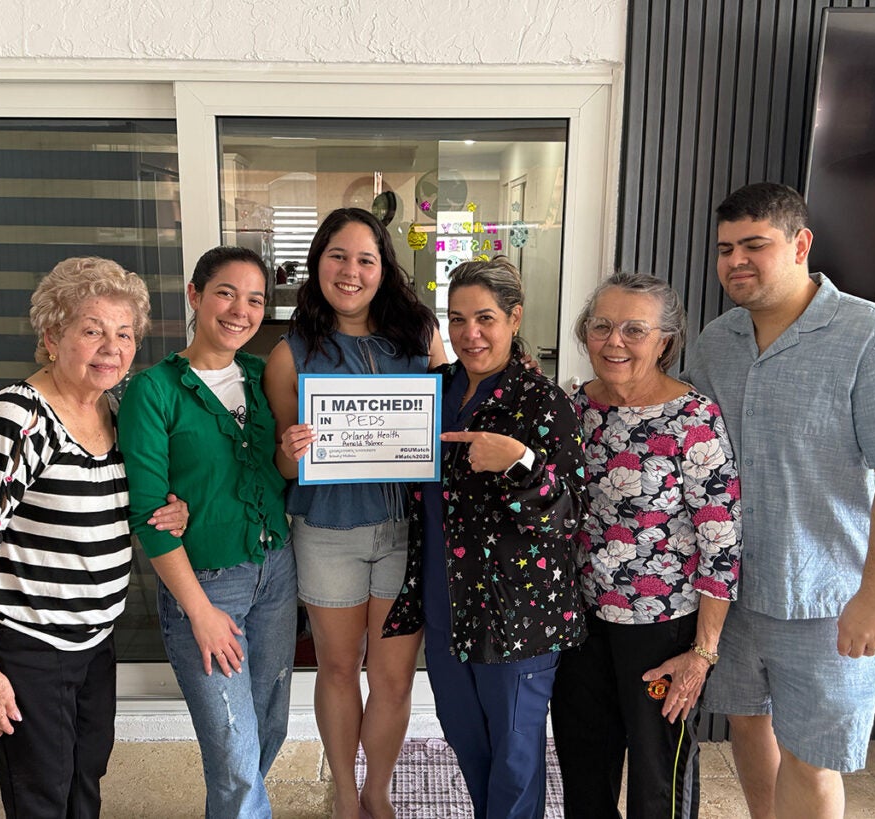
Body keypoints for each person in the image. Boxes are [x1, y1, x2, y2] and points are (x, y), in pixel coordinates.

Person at [685, 182, 875, 818]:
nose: (735, 261)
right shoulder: (716, 343)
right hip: (732, 595)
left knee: (812, 755)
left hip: (828, 601)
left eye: (755, 245)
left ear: (800, 244)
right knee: (746, 725)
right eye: (725, 249)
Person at [0, 257, 188, 818]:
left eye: (123, 334)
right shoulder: (17, 418)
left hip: (94, 642)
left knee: (83, 781)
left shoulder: (112, 411)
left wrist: (174, 513)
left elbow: (121, 508)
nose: (111, 347)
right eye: (91, 330)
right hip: (29, 647)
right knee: (40, 797)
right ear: (51, 337)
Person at [383, 257, 588, 819]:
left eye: (486, 318)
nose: (470, 333)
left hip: (516, 611)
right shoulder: (430, 392)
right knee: (466, 740)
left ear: (514, 318)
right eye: (458, 319)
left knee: (516, 754)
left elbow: (569, 515)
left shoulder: (544, 401)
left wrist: (519, 461)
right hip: (445, 600)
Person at [265, 207, 447, 819]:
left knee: (394, 679)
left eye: (365, 258)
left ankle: (379, 791)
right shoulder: (291, 353)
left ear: (383, 267)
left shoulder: (421, 336)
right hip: (326, 533)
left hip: (406, 534)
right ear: (316, 265)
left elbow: (450, 422)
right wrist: (291, 451)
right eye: (337, 257)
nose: (351, 271)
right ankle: (346, 796)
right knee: (339, 669)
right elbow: (285, 467)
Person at [549, 273, 741, 819]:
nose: (614, 341)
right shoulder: (572, 409)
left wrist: (702, 653)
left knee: (659, 778)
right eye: (602, 326)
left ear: (665, 341)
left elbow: (721, 542)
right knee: (584, 767)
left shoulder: (692, 418)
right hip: (580, 622)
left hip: (662, 627)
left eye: (635, 329)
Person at [118, 246, 296, 819]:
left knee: (268, 725)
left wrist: (291, 453)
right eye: (226, 293)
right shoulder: (155, 391)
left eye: (255, 299)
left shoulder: (259, 374)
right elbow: (150, 512)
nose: (240, 310)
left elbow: (273, 470)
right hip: (207, 586)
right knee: (232, 749)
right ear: (195, 296)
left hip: (276, 573)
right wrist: (197, 610)